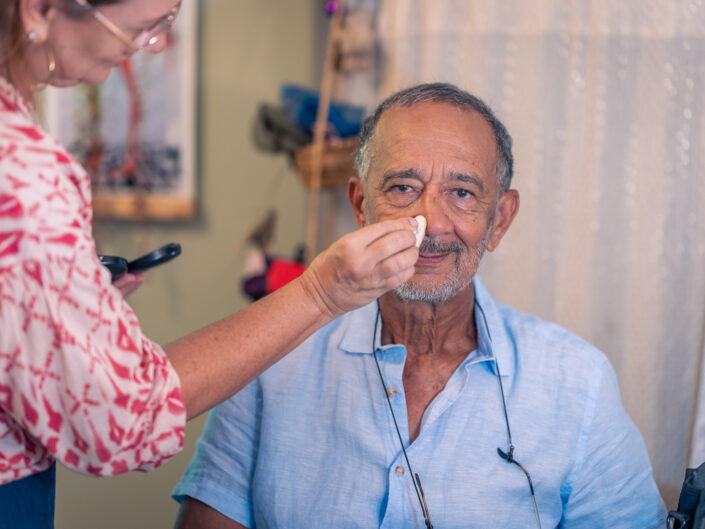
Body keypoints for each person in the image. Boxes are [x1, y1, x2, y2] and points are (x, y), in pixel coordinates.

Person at [0, 0, 421, 526]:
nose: (154, 45)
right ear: (39, 9)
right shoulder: (23, 169)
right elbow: (122, 417)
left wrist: (54, 298)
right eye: (142, 27)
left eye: (166, 24)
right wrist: (320, 292)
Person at [172, 83, 667, 529]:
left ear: (499, 220)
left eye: (462, 193)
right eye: (403, 188)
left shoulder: (577, 381)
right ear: (360, 204)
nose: (430, 222)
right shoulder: (272, 356)